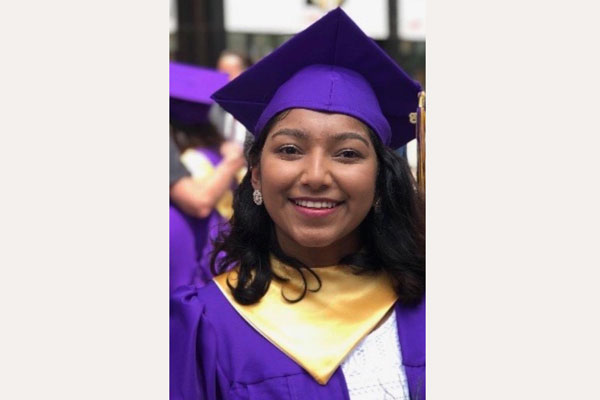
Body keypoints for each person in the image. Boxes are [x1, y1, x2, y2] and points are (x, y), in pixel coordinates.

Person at [171, 8, 425, 400]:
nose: (316, 176)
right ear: (256, 173)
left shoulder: (425, 306)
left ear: (380, 181)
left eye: (348, 154)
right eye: (290, 149)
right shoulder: (204, 327)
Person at [170, 62, 246, 292]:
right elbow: (200, 202)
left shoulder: (197, 157)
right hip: (215, 256)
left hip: (193, 257)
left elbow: (200, 204)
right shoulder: (221, 154)